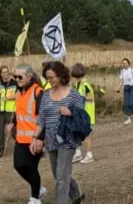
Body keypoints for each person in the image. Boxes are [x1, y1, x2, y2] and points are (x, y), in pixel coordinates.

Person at [32, 61, 85, 204]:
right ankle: (77, 194)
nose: (49, 81)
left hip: (68, 140)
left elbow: (83, 116)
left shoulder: (74, 95)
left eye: (52, 77)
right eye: (47, 78)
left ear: (61, 75)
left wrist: (70, 112)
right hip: (51, 140)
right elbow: (41, 119)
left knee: (61, 178)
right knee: (58, 175)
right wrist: (35, 137)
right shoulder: (45, 95)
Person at [6, 64, 47, 204]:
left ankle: (35, 198)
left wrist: (40, 139)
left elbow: (44, 117)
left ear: (30, 77)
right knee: (18, 165)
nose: (17, 79)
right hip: (20, 137)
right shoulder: (19, 92)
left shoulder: (38, 92)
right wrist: (13, 122)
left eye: (20, 76)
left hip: (35, 138)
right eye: (15, 76)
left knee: (31, 167)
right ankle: (38, 188)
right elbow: (19, 111)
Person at [71, 63, 96, 164]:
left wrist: (81, 98)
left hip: (87, 113)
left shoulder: (85, 84)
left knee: (86, 135)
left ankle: (90, 155)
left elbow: (91, 97)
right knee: (76, 133)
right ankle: (78, 154)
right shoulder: (78, 84)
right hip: (79, 112)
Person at [0, 66, 18, 158]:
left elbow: (20, 95)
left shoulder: (15, 83)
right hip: (0, 110)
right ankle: (0, 149)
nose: (5, 74)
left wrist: (12, 97)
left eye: (6, 72)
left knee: (13, 130)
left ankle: (21, 146)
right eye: (3, 72)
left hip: (11, 110)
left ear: (9, 73)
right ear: (0, 74)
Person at [116, 58, 133, 124]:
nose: (124, 64)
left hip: (132, 87)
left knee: (131, 103)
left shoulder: (132, 70)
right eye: (123, 63)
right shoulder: (122, 71)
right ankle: (129, 118)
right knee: (126, 104)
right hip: (126, 87)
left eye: (125, 63)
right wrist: (118, 87)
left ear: (128, 63)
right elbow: (122, 80)